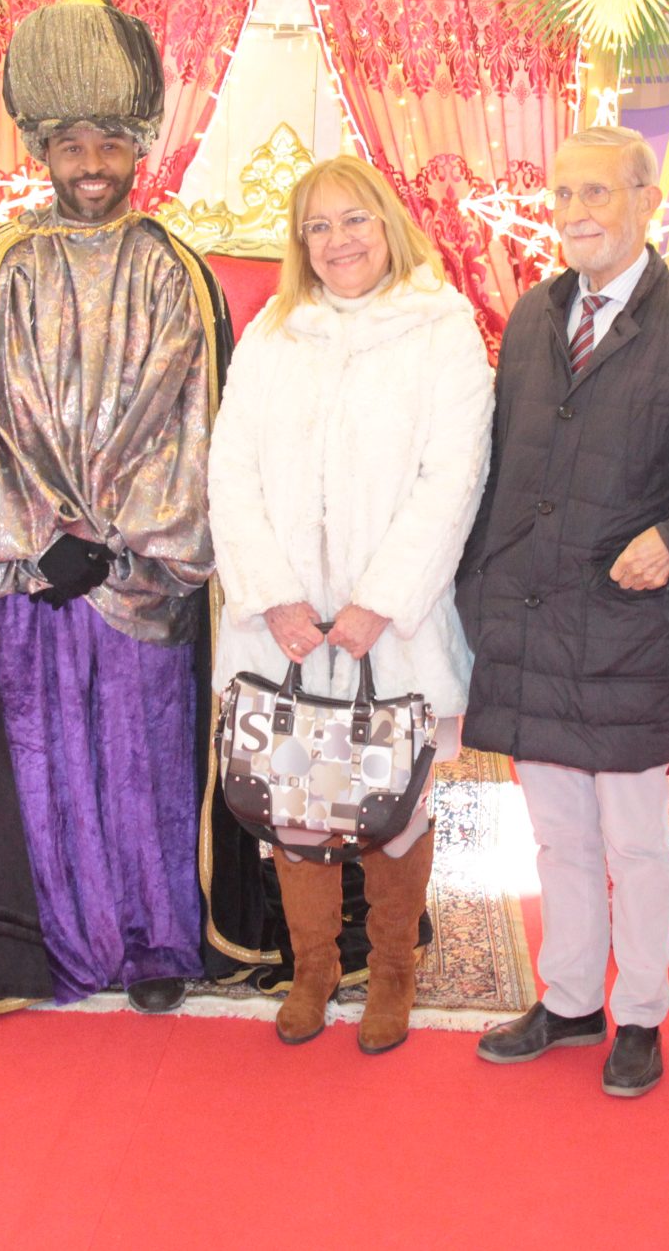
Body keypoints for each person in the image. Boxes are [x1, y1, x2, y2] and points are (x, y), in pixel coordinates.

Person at [0, 0, 268, 1016]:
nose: (90, 164)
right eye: (70, 143)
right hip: (28, 575)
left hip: (143, 574)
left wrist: (116, 545)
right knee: (42, 764)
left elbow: (190, 424)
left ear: (139, 150)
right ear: (41, 149)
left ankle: (156, 943)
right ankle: (47, 944)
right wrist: (44, 541)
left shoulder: (177, 271)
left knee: (143, 764)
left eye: (111, 143)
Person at [460, 125, 669, 1097]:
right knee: (555, 837)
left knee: (633, 840)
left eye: (595, 193)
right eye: (561, 194)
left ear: (646, 201)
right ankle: (568, 1001)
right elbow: (501, 475)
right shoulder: (530, 317)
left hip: (622, 627)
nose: (573, 213)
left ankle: (640, 1015)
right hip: (526, 623)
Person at [209, 156, 493, 1053]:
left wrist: (378, 602)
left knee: (395, 805)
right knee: (295, 801)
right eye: (319, 226)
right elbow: (231, 469)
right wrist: (276, 597)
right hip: (285, 629)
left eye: (355, 220)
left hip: (393, 627)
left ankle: (395, 973)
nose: (339, 241)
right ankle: (313, 971)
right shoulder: (273, 333)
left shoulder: (442, 330)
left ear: (389, 222)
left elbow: (452, 479)